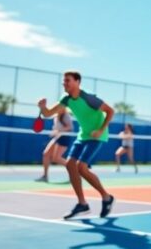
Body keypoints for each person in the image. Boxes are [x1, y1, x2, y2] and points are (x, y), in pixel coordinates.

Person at [38, 71, 117, 220]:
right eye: (64, 81)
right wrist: (42, 107)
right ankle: (82, 203)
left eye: (67, 80)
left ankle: (106, 197)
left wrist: (101, 130)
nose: (64, 83)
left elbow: (110, 111)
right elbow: (48, 113)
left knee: (81, 166)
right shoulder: (66, 99)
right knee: (70, 165)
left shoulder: (88, 98)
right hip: (83, 135)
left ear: (77, 82)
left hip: (97, 135)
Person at [35, 110, 74, 182]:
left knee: (56, 158)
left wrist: (59, 131)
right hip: (57, 137)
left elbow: (70, 127)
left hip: (64, 137)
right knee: (46, 154)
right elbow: (47, 114)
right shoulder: (55, 115)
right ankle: (45, 176)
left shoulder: (66, 115)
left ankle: (74, 170)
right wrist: (54, 132)